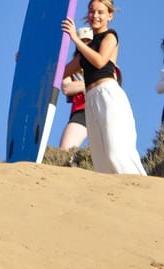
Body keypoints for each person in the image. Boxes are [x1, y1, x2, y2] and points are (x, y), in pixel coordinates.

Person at [61, 0, 147, 175]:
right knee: (101, 159)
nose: (95, 16)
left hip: (108, 95)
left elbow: (100, 61)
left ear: (110, 15)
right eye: (91, 11)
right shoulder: (85, 50)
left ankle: (140, 187)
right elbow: (60, 73)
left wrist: (75, 39)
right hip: (90, 100)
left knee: (118, 152)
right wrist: (28, 61)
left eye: (100, 12)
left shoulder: (110, 36)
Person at [59, 27, 93, 151]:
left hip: (102, 108)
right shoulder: (70, 67)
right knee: (66, 150)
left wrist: (82, 86)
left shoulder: (103, 59)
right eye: (82, 41)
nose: (85, 44)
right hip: (81, 110)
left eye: (88, 41)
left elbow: (112, 81)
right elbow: (67, 88)